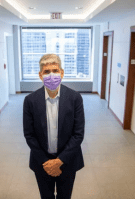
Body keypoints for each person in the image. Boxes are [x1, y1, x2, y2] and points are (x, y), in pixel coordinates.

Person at [23, 53, 85, 199]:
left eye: (55, 71)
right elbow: (29, 135)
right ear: (40, 75)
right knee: (46, 197)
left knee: (65, 196)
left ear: (62, 73)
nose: (52, 75)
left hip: (68, 161)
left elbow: (78, 134)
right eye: (47, 72)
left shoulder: (75, 98)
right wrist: (47, 163)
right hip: (42, 162)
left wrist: (59, 161)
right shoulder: (30, 101)